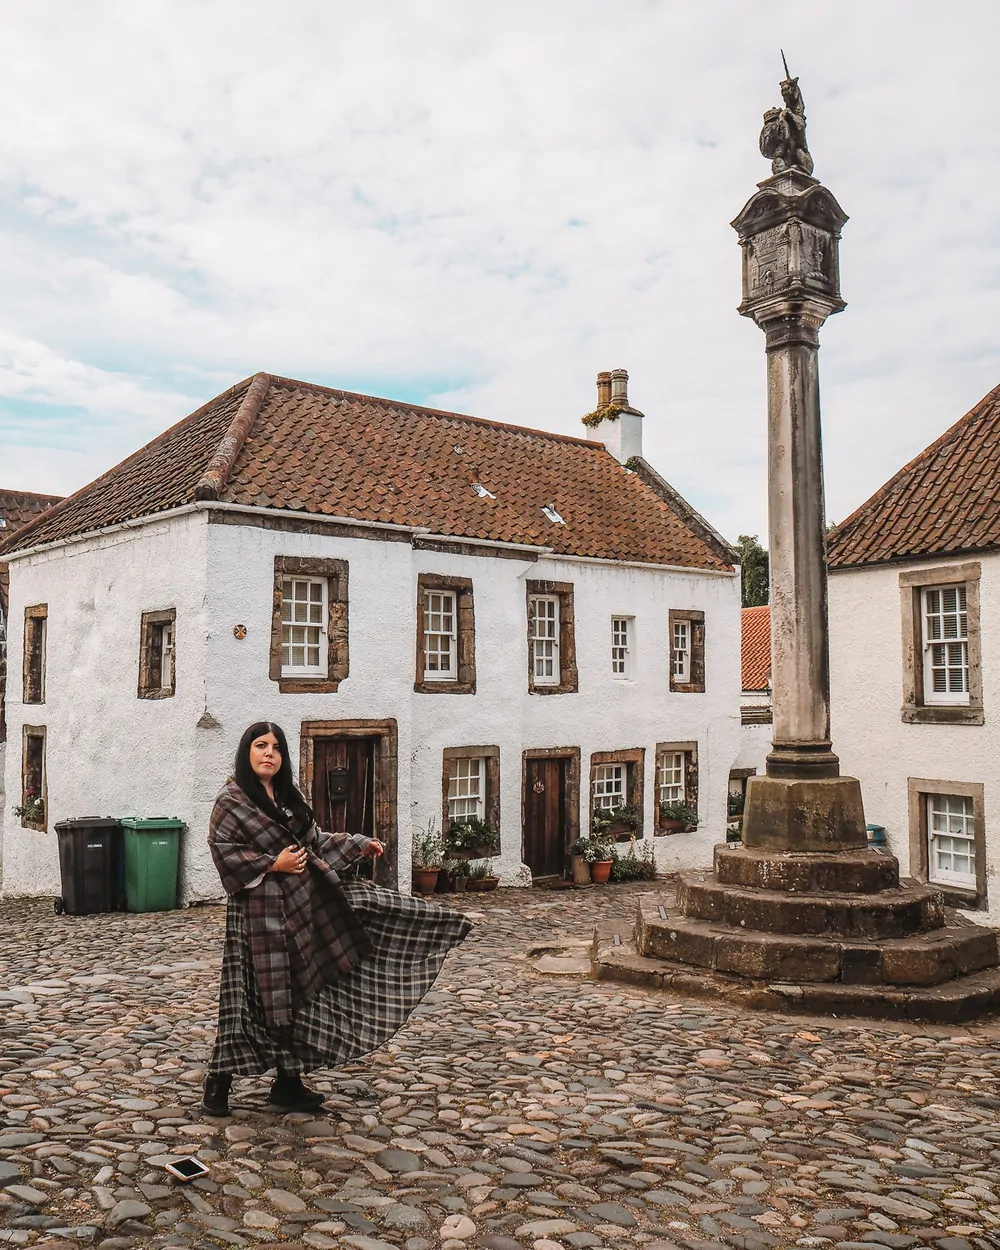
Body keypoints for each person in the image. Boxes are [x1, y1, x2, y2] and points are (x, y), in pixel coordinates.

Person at [202, 721, 473, 1115]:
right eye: (260, 746)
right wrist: (272, 863)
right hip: (256, 918)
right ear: (247, 752)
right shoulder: (231, 800)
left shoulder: (290, 797)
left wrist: (358, 844)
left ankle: (288, 1083)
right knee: (246, 997)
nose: (268, 754)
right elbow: (223, 850)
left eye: (276, 748)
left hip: (303, 908)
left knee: (299, 996)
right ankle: (219, 1080)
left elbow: (316, 843)